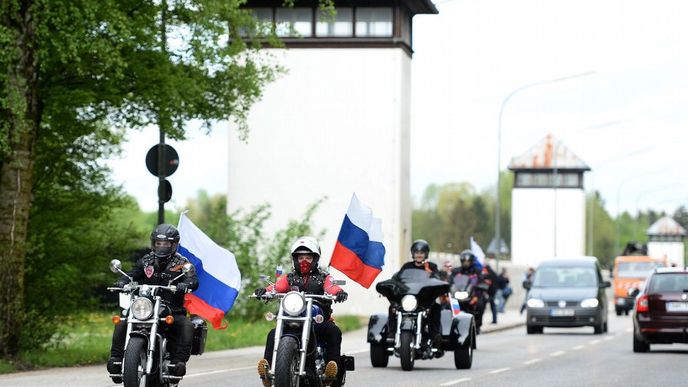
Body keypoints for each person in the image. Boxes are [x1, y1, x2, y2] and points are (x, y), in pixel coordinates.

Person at [107, 224, 198, 381]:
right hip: (145, 306)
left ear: (174, 244)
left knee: (186, 325)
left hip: (172, 309)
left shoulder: (182, 263)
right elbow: (132, 274)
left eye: (165, 244)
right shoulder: (146, 261)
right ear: (154, 243)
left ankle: (177, 363)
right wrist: (122, 281)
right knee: (122, 322)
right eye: (158, 243)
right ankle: (115, 360)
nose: (161, 247)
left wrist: (187, 284)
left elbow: (192, 280)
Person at [254, 236, 348, 387]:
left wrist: (339, 292)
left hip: (319, 322)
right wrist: (264, 291)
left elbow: (331, 287)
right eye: (300, 257)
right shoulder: (289, 278)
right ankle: (267, 371)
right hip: (293, 320)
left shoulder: (323, 277)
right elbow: (277, 287)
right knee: (272, 333)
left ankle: (330, 371)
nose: (304, 261)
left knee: (334, 331)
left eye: (308, 257)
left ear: (315, 259)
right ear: (295, 259)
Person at [390, 239, 443, 346]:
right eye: (417, 252)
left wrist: (430, 273)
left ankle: (435, 335)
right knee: (393, 308)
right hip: (409, 298)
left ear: (426, 254)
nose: (419, 255)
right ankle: (391, 334)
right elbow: (398, 278)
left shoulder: (431, 266)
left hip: (424, 299)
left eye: (421, 253)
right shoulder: (407, 266)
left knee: (436, 308)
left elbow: (437, 279)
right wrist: (391, 287)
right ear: (413, 253)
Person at [450, 250, 489, 331]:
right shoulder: (456, 271)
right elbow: (450, 281)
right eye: (464, 261)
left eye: (468, 261)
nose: (466, 263)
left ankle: (478, 324)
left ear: (471, 261)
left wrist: (480, 286)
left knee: (480, 303)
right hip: (457, 294)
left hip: (473, 295)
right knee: (445, 306)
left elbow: (483, 281)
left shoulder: (477, 271)